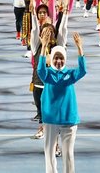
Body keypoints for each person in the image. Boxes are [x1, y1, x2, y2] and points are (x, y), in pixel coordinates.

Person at [37, 32, 86, 173]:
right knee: (49, 152)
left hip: (69, 119)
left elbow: (83, 71)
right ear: (52, 59)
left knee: (68, 154)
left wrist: (80, 48)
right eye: (56, 58)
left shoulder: (70, 75)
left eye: (62, 58)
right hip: (50, 119)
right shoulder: (47, 74)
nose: (59, 61)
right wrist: (44, 45)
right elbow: (40, 70)